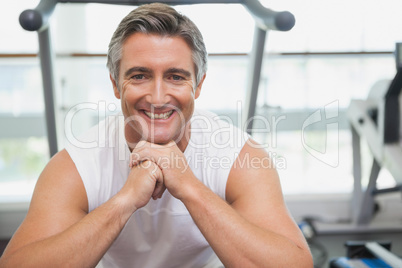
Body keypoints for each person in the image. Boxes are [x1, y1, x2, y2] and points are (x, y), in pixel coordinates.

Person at [0, 3, 312, 267]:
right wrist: (125, 201)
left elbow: (295, 263)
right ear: (115, 83)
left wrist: (188, 185)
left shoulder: (239, 156)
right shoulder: (78, 164)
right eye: (140, 76)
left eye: (176, 77)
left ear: (198, 85)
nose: (158, 97)